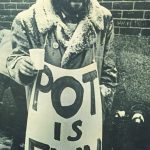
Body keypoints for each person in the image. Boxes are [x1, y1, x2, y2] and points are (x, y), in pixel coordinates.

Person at [7, 0, 117, 149]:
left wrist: (102, 101)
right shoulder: (28, 20)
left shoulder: (103, 19)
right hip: (45, 124)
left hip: (84, 126)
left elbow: (108, 72)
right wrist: (22, 66)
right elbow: (16, 58)